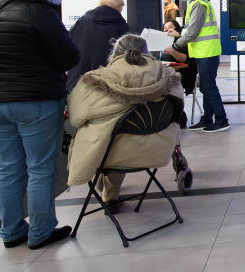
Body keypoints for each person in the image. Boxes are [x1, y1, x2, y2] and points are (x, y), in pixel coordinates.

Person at [0, 0, 81, 250]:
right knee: (41, 168)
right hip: (35, 99)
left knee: (6, 167)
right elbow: (68, 56)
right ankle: (41, 230)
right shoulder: (40, 12)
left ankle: (11, 231)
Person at [67, 34, 184, 214]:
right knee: (120, 132)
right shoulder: (169, 78)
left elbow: (75, 119)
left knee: (109, 133)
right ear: (147, 53)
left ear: (115, 54)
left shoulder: (94, 81)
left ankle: (111, 198)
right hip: (159, 151)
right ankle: (110, 193)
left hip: (109, 156)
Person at [164, 0, 229, 132]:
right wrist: (178, 35)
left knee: (208, 87)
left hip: (207, 51)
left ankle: (222, 120)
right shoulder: (198, 3)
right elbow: (191, 31)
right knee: (206, 87)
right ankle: (207, 119)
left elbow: (192, 32)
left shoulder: (199, 4)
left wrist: (175, 45)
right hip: (203, 51)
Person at [65, 0, 128, 94]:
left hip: (78, 75)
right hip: (103, 79)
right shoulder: (120, 24)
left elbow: (68, 40)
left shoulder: (83, 20)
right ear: (118, 8)